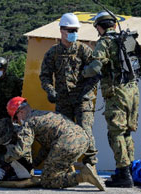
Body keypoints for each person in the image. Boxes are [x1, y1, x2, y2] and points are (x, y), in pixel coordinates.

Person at [82, 11, 140, 188]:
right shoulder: (127, 40)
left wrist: (83, 72)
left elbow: (96, 66)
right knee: (127, 132)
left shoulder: (105, 42)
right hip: (132, 92)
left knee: (115, 133)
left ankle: (123, 175)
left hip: (116, 93)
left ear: (100, 26)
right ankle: (128, 171)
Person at [4, 97, 105, 190]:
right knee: (56, 161)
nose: (18, 122)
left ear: (20, 112)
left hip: (66, 143)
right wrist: (34, 164)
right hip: (83, 140)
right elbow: (46, 148)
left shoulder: (28, 123)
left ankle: (82, 176)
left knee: (48, 181)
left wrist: (6, 159)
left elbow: (20, 151)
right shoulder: (44, 114)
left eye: (16, 119)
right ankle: (68, 173)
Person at [39, 13, 98, 167]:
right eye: (70, 30)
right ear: (61, 30)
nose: (74, 33)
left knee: (85, 129)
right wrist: (50, 90)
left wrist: (85, 92)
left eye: (75, 30)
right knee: (64, 134)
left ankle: (91, 164)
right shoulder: (52, 53)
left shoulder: (83, 50)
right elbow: (45, 76)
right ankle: (66, 165)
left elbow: (96, 73)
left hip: (82, 100)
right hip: (63, 101)